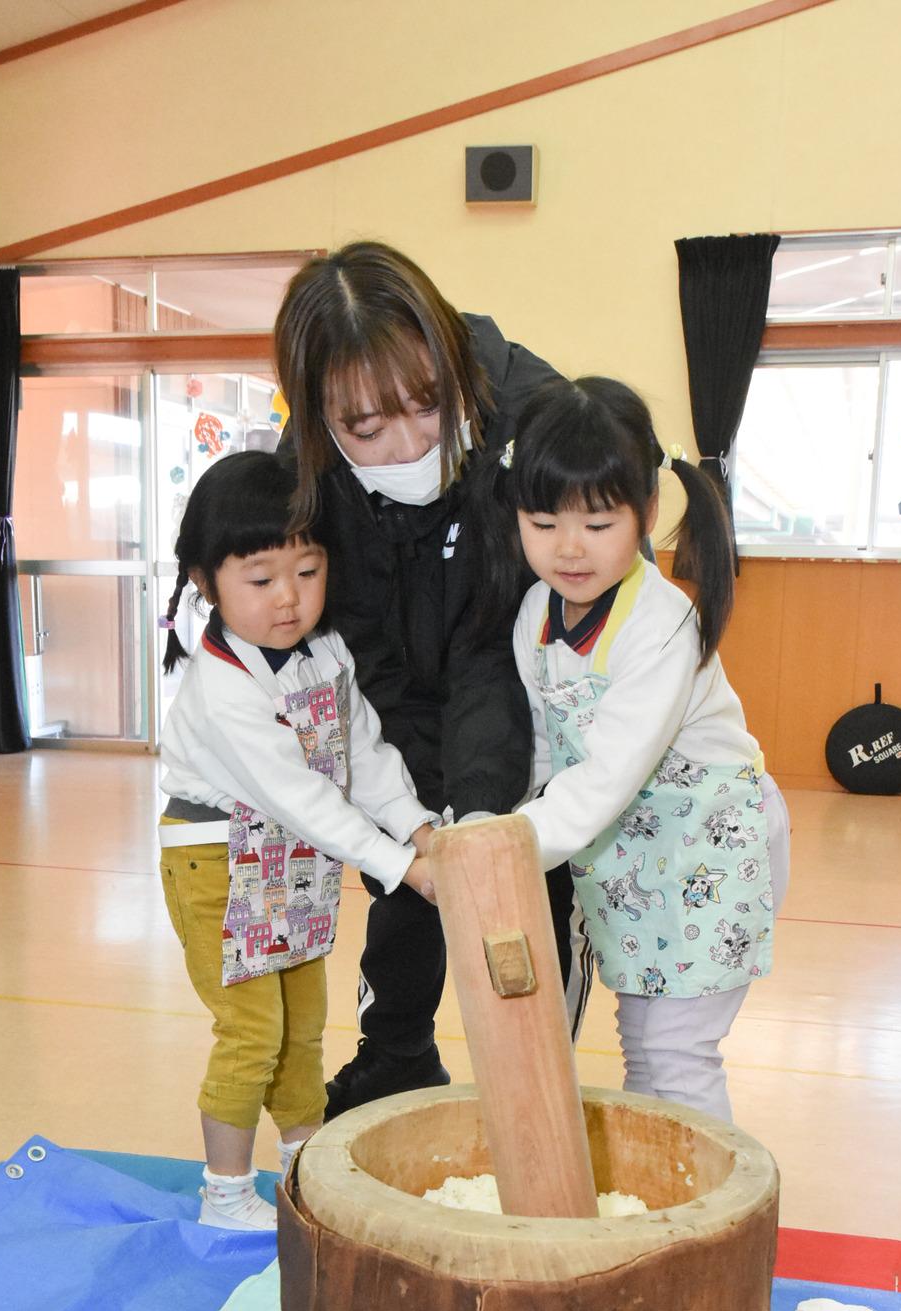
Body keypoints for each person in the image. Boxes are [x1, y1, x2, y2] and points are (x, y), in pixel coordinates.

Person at [274, 241, 592, 1120]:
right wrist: (418, 820)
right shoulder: (310, 470)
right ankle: (397, 1052)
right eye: (369, 428)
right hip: (396, 693)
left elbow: (522, 638)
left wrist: (485, 811)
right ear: (323, 419)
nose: (411, 444)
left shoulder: (536, 417)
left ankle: (535, 1084)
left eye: (427, 405)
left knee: (526, 881)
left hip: (533, 693)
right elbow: (353, 642)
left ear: (452, 363)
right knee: (409, 877)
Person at [481, 376, 791, 1123]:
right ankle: (664, 1213)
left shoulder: (662, 622)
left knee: (679, 1056)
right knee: (645, 1048)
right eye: (544, 520)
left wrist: (496, 851)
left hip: (710, 856)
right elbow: (548, 763)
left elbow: (604, 778)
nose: (569, 547)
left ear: (647, 512)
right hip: (631, 866)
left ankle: (709, 1229)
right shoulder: (535, 613)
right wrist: (499, 821)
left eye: (597, 521)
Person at [158, 452, 438, 1228]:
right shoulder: (221, 686)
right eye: (260, 579)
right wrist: (398, 865)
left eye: (308, 571)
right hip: (218, 857)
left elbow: (364, 754)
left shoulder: (327, 650)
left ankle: (304, 1170)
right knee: (252, 1031)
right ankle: (223, 1196)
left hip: (291, 858)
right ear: (206, 580)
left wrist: (417, 825)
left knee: (304, 1026)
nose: (288, 598)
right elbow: (300, 792)